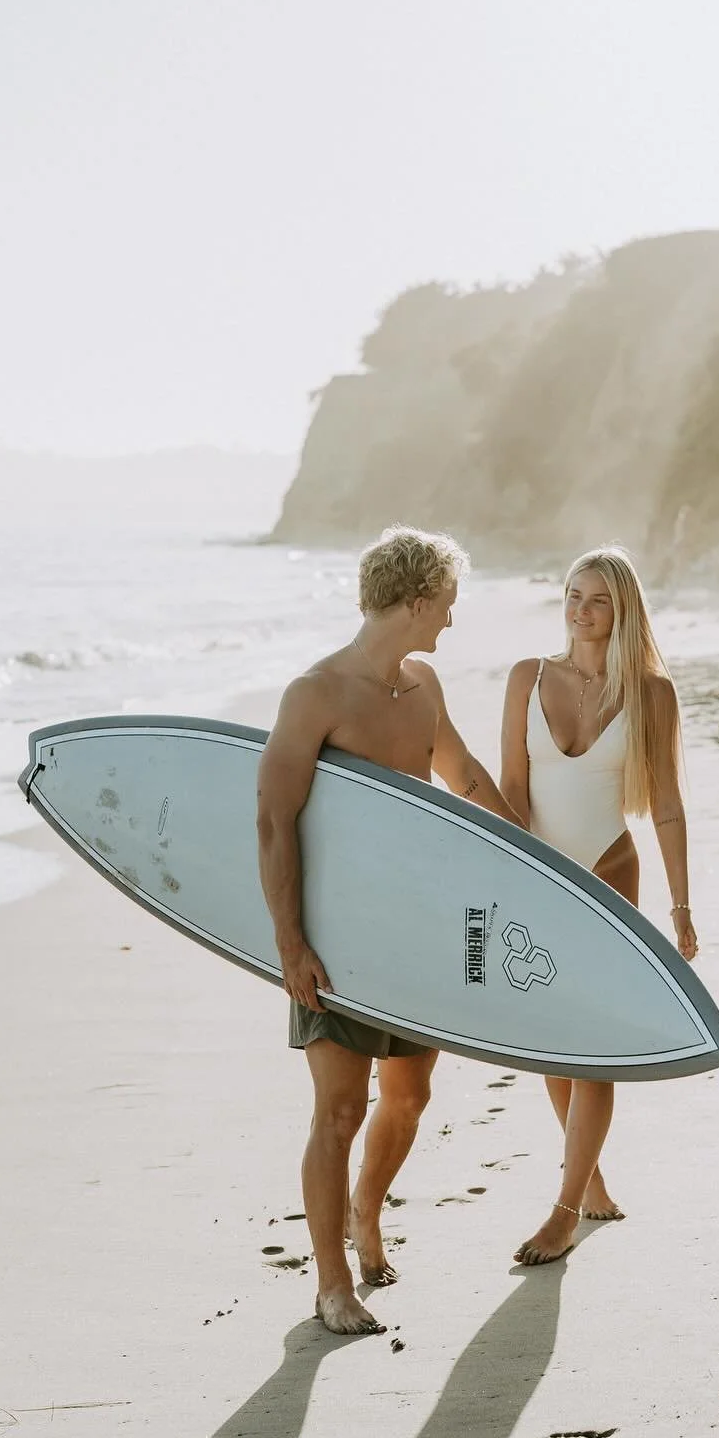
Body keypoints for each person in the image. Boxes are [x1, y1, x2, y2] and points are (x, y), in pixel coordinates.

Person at [256, 526, 517, 1336]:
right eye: (444, 605)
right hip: (336, 938)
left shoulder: (423, 684)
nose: (448, 621)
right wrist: (291, 944)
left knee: (408, 1095)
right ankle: (332, 1283)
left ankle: (366, 1211)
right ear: (413, 602)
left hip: (418, 928)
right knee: (340, 1109)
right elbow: (273, 821)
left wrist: (542, 873)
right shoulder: (316, 695)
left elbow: (464, 775)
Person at [499, 545, 698, 1266]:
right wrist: (509, 875)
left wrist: (680, 906)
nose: (581, 611)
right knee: (550, 1044)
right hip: (539, 878)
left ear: (623, 610)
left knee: (593, 1050)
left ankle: (563, 1211)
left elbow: (668, 806)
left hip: (609, 871)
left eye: (597, 600)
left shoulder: (651, 693)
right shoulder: (528, 677)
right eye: (572, 595)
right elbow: (512, 789)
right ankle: (591, 1177)